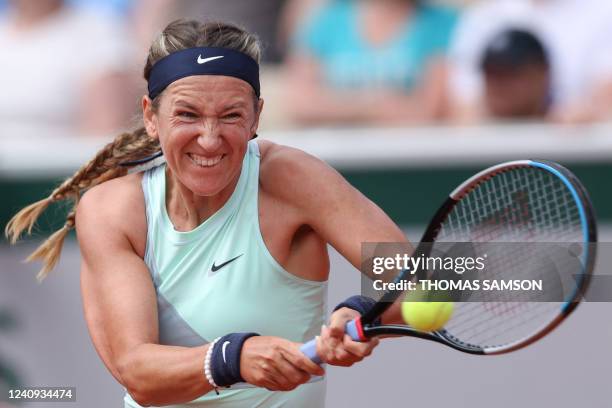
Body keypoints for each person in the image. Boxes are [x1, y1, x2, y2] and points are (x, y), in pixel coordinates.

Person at [5, 19, 408, 407]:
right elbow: (138, 373)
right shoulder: (113, 210)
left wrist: (360, 312)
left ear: (256, 117)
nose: (210, 139)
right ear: (150, 116)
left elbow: (438, 277)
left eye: (231, 115)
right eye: (188, 114)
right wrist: (235, 358)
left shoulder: (292, 178)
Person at [284, 0, 458, 125]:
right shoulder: (326, 19)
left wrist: (336, 106)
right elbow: (301, 104)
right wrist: (375, 105)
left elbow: (429, 111)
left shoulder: (444, 22)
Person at [449, 0, 612, 124]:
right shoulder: (484, 15)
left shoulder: (604, 11)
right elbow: (463, 113)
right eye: (495, 74)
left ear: (542, 74)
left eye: (511, 75)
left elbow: (604, 103)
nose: (502, 86)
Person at [480, 29, 551, 119]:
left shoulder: (566, 128)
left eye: (507, 73)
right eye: (490, 72)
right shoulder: (467, 128)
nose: (497, 84)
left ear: (540, 74)